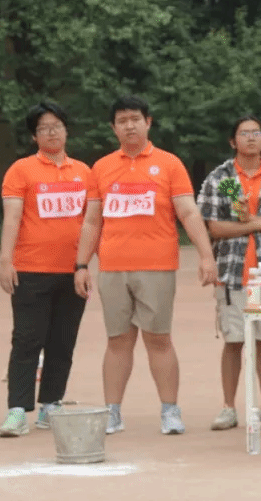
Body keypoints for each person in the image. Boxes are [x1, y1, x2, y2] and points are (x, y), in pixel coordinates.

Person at [73, 95, 218, 435]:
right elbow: (92, 221)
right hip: (113, 267)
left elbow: (188, 212)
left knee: (158, 339)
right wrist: (81, 264)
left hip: (156, 266)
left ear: (148, 122)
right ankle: (112, 412)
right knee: (118, 341)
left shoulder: (169, 164)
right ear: (114, 128)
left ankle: (170, 411)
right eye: (122, 121)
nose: (130, 126)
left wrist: (206, 255)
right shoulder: (101, 168)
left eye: (135, 119)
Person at [0, 102, 91, 437]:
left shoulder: (84, 172)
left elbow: (92, 221)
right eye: (43, 128)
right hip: (31, 270)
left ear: (66, 130)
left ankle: (51, 404)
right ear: (34, 136)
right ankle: (17, 411)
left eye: (57, 126)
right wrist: (6, 260)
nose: (51, 132)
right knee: (27, 340)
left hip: (72, 271)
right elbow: (12, 217)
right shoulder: (21, 170)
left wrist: (85, 264)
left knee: (63, 341)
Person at [198, 115, 261, 431]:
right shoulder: (223, 178)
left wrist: (251, 223)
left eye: (256, 133)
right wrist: (260, 223)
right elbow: (215, 227)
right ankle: (228, 407)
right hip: (231, 272)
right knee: (233, 341)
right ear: (232, 141)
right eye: (244, 133)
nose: (251, 138)